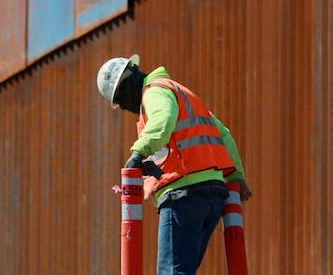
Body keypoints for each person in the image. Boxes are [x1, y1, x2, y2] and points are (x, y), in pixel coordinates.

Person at [97, 54, 251, 275]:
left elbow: (163, 119)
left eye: (120, 98)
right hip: (212, 195)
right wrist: (236, 177)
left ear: (128, 82)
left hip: (183, 194)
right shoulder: (182, 93)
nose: (123, 106)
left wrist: (138, 154)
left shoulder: (154, 91)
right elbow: (223, 135)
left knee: (172, 272)